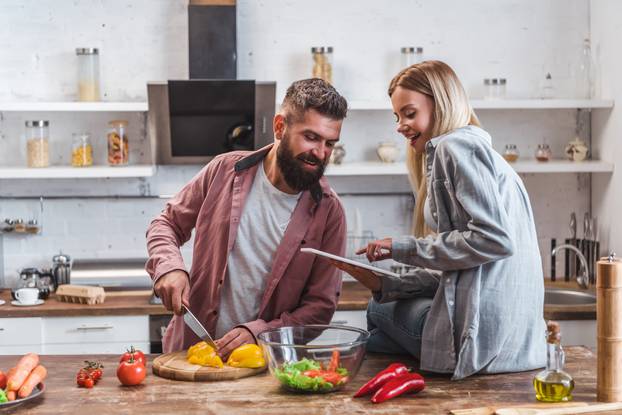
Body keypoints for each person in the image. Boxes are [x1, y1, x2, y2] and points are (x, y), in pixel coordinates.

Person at [339, 60, 546, 380]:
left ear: (443, 104)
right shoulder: (479, 150)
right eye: (397, 116)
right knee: (382, 322)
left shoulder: (454, 147)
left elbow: (494, 240)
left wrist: (403, 248)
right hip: (518, 348)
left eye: (409, 113)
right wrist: (388, 283)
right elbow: (466, 267)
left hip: (482, 345)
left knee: (377, 311)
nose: (399, 125)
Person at [146, 78, 348, 357]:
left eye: (330, 143)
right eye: (311, 137)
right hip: (188, 356)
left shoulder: (329, 211)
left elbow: (319, 307)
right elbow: (166, 224)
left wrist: (259, 333)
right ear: (280, 127)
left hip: (266, 366)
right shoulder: (224, 170)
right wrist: (169, 267)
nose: (320, 153)